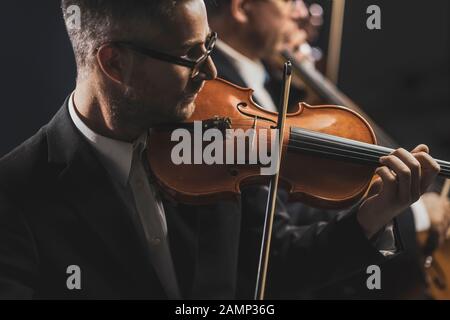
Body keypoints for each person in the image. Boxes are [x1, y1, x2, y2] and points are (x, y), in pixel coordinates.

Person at [0, 0, 441, 299]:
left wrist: (375, 214)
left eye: (211, 45)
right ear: (115, 63)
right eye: (192, 55)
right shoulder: (14, 198)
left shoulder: (218, 138)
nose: (211, 69)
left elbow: (275, 270)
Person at [205, 0, 450, 298]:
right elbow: (281, 230)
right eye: (289, 1)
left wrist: (302, 75)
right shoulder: (217, 94)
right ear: (243, 8)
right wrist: (414, 215)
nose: (303, 13)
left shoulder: (265, 88)